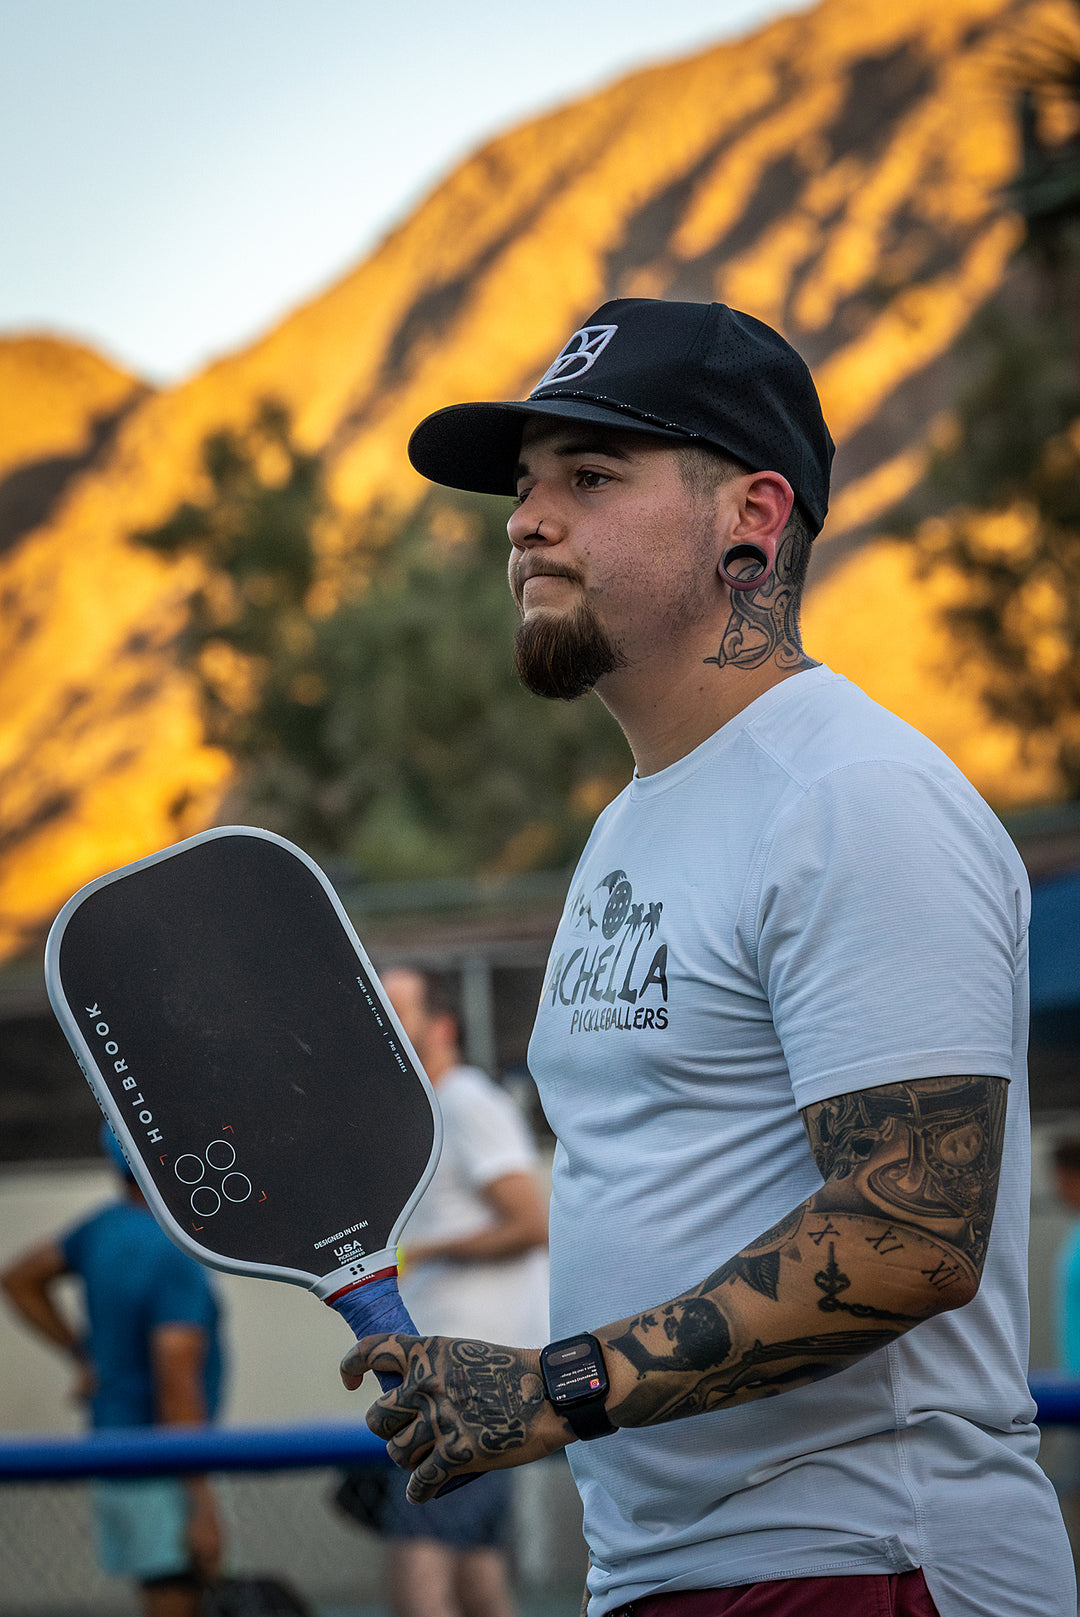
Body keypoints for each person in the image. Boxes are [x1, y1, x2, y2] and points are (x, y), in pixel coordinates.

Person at [340, 297, 1075, 1617]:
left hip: (868, 1564)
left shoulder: (851, 792)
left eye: (591, 474)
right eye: (524, 486)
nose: (525, 520)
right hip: (674, 1574)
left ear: (751, 515)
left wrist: (557, 1386)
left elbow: (913, 1233)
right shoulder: (632, 822)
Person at [369, 966, 549, 1617]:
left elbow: (531, 1222)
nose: (379, 1016)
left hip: (468, 1381)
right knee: (477, 1571)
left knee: (419, 1566)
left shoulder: (466, 1100)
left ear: (442, 1025)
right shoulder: (423, 1109)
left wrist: (422, 1252)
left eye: (397, 1006)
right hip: (454, 1374)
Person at [2, 1124, 225, 1617]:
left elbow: (19, 1278)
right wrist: (201, 1503)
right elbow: (176, 1385)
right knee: (175, 1597)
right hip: (162, 1465)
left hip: (112, 1453)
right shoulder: (173, 1254)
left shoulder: (100, 1229)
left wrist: (83, 1355)